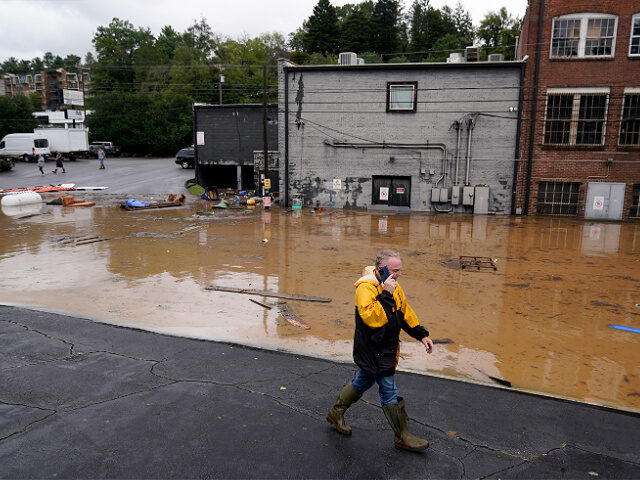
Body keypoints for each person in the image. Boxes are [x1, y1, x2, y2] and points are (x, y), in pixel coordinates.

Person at [326, 249, 434, 452]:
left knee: (363, 380)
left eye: (400, 270)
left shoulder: (396, 287)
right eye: (395, 270)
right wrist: (386, 293)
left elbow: (405, 312)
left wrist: (422, 335)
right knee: (389, 390)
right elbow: (373, 319)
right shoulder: (365, 288)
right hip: (372, 350)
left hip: (386, 349)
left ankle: (336, 413)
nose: (399, 274)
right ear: (381, 270)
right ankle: (402, 436)